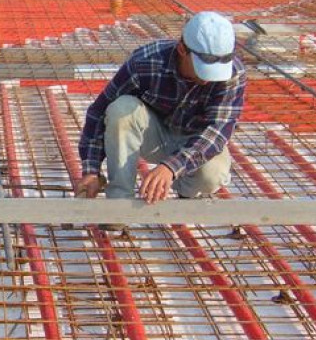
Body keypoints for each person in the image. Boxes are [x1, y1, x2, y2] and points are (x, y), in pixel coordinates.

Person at [76, 11, 246, 208]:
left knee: (212, 175)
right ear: (182, 49)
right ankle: (119, 202)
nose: (208, 78)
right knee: (121, 109)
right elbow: (98, 112)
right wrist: (91, 170)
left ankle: (185, 191)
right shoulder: (146, 61)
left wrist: (171, 168)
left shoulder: (233, 73)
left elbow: (217, 131)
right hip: (153, 135)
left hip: (196, 141)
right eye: (203, 68)